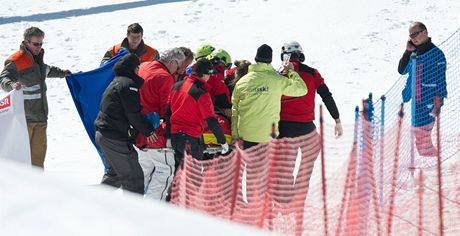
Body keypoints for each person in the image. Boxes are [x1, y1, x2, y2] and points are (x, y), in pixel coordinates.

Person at [0, 26, 70, 168]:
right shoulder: (16, 60)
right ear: (26, 43)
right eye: (36, 44)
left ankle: (38, 189)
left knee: (38, 162)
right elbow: (3, 78)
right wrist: (11, 85)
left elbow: (46, 70)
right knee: (21, 163)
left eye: (41, 43)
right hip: (24, 120)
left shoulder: (38, 59)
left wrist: (63, 73)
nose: (39, 47)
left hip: (40, 117)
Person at [95, 53, 157, 194]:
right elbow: (132, 113)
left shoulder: (118, 81)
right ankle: (133, 215)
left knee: (114, 177)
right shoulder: (128, 85)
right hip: (113, 137)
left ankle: (85, 203)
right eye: (138, 67)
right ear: (134, 68)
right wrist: (148, 130)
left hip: (105, 134)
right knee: (134, 179)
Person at [231, 44, 307, 149]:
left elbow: (235, 110)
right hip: (268, 136)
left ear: (256, 58)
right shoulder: (278, 81)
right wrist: (291, 71)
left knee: (250, 165)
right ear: (270, 60)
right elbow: (302, 89)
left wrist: (235, 135)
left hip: (246, 135)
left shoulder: (242, 82)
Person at [135, 48, 186, 200]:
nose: (177, 71)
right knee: (164, 173)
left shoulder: (144, 66)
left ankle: (130, 209)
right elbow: (167, 110)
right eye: (178, 67)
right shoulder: (165, 78)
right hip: (158, 136)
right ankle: (152, 213)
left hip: (140, 133)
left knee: (141, 174)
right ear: (172, 62)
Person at [166, 59, 229, 171]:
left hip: (175, 137)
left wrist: (168, 136)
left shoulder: (176, 86)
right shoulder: (201, 93)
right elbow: (211, 120)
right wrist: (222, 141)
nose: (210, 78)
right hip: (190, 139)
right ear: (204, 75)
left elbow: (168, 112)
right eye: (209, 75)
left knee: (179, 173)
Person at [397, 22, 447, 156]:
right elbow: (401, 71)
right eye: (410, 35)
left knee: (422, 134)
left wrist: (439, 101)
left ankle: (434, 162)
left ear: (425, 32)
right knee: (418, 134)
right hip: (416, 100)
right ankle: (431, 160)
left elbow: (441, 80)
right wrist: (407, 52)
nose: (413, 38)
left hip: (429, 100)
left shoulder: (436, 54)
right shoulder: (414, 52)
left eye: (415, 34)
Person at [279, 40, 342, 138]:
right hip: (307, 126)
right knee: (313, 150)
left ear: (285, 56)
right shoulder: (313, 73)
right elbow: (326, 95)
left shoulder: (278, 75)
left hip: (284, 127)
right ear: (301, 56)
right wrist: (337, 119)